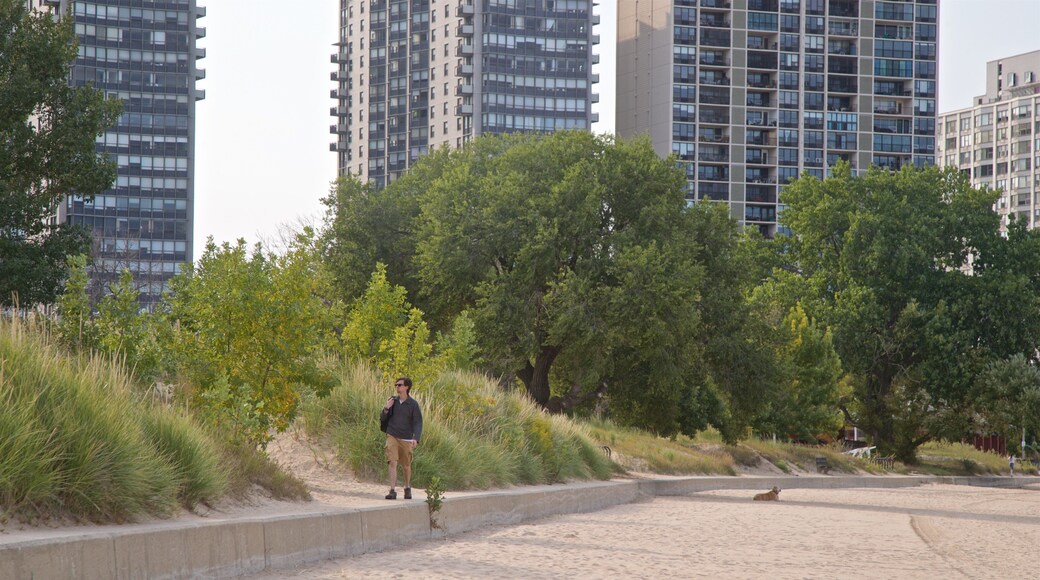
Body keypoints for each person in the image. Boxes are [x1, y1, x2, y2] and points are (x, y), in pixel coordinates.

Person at [380, 377, 423, 499]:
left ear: (406, 387)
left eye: (399, 385)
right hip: (392, 435)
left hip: (406, 438)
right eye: (396, 385)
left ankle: (407, 487)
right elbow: (382, 418)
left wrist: (416, 438)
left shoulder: (413, 404)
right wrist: (386, 408)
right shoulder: (392, 401)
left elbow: (418, 422)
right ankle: (392, 491)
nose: (397, 387)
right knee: (392, 461)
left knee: (406, 465)